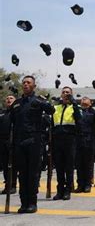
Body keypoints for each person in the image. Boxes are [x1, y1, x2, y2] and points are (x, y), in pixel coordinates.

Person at [10, 76, 55, 213]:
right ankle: (24, 203)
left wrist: (44, 102)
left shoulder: (38, 100)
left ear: (34, 86)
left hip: (34, 141)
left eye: (28, 83)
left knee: (33, 173)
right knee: (22, 173)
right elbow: (12, 122)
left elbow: (51, 110)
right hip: (20, 141)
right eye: (24, 83)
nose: (25, 84)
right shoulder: (17, 103)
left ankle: (32, 202)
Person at [52, 86, 82, 201]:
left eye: (68, 92)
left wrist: (74, 103)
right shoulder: (55, 107)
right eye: (64, 92)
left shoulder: (75, 107)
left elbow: (79, 120)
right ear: (61, 94)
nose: (65, 94)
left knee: (69, 166)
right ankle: (60, 190)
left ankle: (68, 190)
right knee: (59, 166)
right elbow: (51, 123)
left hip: (70, 139)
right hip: (57, 139)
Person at [75, 97, 95, 193]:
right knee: (79, 164)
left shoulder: (92, 112)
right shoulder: (78, 111)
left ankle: (88, 184)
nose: (84, 100)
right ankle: (80, 184)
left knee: (88, 164)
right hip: (78, 140)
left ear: (90, 103)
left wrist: (90, 107)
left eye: (86, 99)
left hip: (89, 140)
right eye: (82, 99)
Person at [0, 95, 17, 194]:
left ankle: (13, 185)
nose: (8, 100)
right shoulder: (2, 113)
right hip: (2, 141)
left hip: (13, 141)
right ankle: (7, 184)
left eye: (11, 98)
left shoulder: (17, 113)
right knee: (5, 164)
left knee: (13, 165)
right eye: (7, 98)